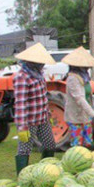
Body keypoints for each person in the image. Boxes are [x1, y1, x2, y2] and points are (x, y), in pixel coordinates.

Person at [13, 43, 57, 174]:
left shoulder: (38, 75)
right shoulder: (22, 77)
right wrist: (22, 127)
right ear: (32, 61)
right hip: (28, 121)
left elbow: (43, 97)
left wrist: (48, 114)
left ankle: (46, 172)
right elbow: (20, 103)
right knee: (24, 149)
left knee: (50, 145)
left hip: (42, 119)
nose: (42, 64)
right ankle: (22, 177)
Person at [62, 47, 94, 150]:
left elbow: (85, 93)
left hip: (85, 116)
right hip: (75, 116)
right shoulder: (72, 79)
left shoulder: (84, 77)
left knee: (89, 144)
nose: (87, 68)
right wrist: (93, 115)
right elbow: (79, 99)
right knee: (78, 147)